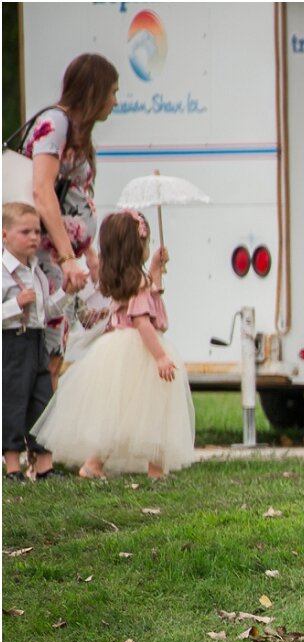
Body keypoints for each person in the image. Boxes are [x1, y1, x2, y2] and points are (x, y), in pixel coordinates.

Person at [31, 209, 195, 480]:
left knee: (119, 412)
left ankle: (95, 464)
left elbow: (147, 293)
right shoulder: (138, 282)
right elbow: (142, 321)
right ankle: (154, 468)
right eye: (146, 243)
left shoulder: (121, 279)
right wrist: (160, 356)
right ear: (136, 246)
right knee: (153, 408)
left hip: (117, 348)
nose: (148, 247)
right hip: (142, 348)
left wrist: (154, 268)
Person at [21, 53, 120, 379]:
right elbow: (43, 192)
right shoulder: (56, 124)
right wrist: (66, 258)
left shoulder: (76, 133)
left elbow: (71, 200)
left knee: (56, 348)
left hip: (60, 260)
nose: (115, 102)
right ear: (94, 92)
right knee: (46, 351)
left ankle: (33, 426)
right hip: (44, 259)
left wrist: (87, 252)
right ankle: (27, 428)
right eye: (112, 92)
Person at [2, 202, 64, 481]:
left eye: (37, 232)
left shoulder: (36, 270)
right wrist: (15, 303)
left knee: (43, 399)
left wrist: (66, 294)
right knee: (14, 401)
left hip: (37, 339)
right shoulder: (4, 272)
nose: (33, 238)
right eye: (25, 231)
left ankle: (44, 465)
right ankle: (12, 466)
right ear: (5, 235)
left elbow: (46, 310)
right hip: (13, 341)